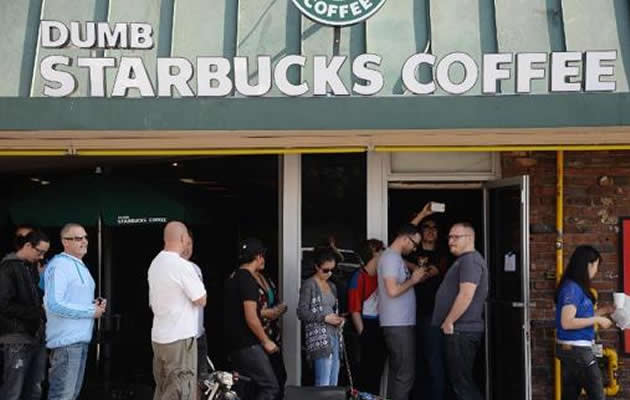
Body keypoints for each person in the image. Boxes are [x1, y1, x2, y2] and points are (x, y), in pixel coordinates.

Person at [44, 223, 107, 400]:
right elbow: (54, 304)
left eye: (85, 237)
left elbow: (70, 300)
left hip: (79, 340)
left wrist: (94, 305)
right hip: (66, 342)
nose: (85, 241)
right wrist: (89, 310)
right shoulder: (59, 266)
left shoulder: (80, 266)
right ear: (65, 242)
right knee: (62, 396)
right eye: (78, 238)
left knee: (70, 395)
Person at [148, 221, 207, 400]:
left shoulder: (156, 263)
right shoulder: (182, 266)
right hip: (179, 338)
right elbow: (201, 299)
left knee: (164, 387)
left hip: (159, 338)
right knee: (182, 389)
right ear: (183, 238)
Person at [432, 222, 488, 400]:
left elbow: (466, 295)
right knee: (459, 382)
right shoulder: (464, 260)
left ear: (470, 238)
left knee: (462, 384)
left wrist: (449, 321)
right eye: (449, 237)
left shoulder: (470, 260)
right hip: (459, 331)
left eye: (456, 237)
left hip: (461, 330)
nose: (450, 241)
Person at [555, 245, 614, 400]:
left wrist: (604, 311)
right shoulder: (572, 288)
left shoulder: (574, 286)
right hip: (578, 350)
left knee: (570, 395)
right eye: (596, 266)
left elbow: (579, 317)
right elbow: (567, 322)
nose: (596, 271)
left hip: (572, 349)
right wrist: (597, 319)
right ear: (588, 264)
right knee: (597, 395)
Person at [225, 238, 280, 400]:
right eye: (262, 256)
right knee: (270, 387)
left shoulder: (233, 277)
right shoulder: (248, 279)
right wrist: (266, 341)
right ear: (258, 257)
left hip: (234, 344)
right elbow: (251, 317)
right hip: (248, 343)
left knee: (244, 389)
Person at [377, 224, 427, 400]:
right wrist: (413, 280)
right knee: (404, 376)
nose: (414, 248)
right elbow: (392, 290)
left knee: (398, 374)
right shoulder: (390, 258)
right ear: (406, 238)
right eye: (414, 244)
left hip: (399, 323)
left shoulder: (394, 257)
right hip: (397, 324)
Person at [0, 230, 50, 400]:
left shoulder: (30, 267)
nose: (42, 257)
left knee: (35, 389)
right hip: (17, 338)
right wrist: (39, 311)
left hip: (35, 336)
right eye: (40, 252)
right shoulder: (8, 268)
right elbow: (3, 305)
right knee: (13, 390)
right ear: (28, 245)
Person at [413, 218, 449, 400]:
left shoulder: (443, 254)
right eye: (426, 227)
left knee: (433, 359)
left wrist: (407, 265)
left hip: (433, 315)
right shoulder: (412, 250)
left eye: (435, 227)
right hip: (409, 314)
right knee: (415, 360)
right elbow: (399, 244)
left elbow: (426, 275)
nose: (430, 230)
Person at [297, 246, 344, 386]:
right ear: (317, 267)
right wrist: (324, 318)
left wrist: (339, 319)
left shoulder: (332, 286)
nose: (329, 273)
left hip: (334, 336)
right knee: (323, 382)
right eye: (325, 270)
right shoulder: (309, 285)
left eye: (332, 270)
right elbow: (301, 312)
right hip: (320, 339)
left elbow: (332, 310)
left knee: (333, 382)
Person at [347, 239, 385, 394]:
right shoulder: (359, 277)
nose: (385, 252)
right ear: (374, 252)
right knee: (365, 373)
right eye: (382, 249)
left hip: (381, 325)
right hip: (366, 326)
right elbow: (354, 310)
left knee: (377, 372)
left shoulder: (382, 276)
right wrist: (363, 334)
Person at [181, 228, 210, 394]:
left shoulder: (196, 269)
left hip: (199, 333)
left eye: (190, 243)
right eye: (184, 243)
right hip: (182, 338)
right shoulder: (170, 268)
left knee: (201, 382)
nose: (187, 248)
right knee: (184, 382)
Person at [255, 266, 288, 393]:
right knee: (266, 382)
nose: (262, 260)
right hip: (257, 337)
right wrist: (265, 313)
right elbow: (246, 312)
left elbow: (276, 301)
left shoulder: (266, 278)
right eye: (258, 256)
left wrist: (279, 309)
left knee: (280, 376)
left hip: (272, 333)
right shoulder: (243, 279)